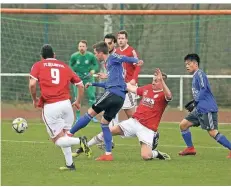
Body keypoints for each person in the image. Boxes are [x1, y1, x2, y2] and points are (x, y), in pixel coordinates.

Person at [67, 41, 144, 161]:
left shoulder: (113, 57)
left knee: (90, 113)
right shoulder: (111, 67)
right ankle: (108, 154)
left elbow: (123, 57)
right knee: (104, 123)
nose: (95, 55)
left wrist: (135, 61)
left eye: (95, 53)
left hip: (112, 94)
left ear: (100, 53)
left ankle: (69, 134)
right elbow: (109, 84)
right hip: (119, 98)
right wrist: (94, 83)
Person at [73, 68, 172, 161]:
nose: (153, 82)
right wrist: (109, 77)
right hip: (134, 122)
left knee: (146, 156)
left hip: (147, 129)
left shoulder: (164, 94)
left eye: (156, 81)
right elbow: (128, 87)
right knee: (108, 131)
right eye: (153, 80)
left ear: (162, 83)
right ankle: (82, 148)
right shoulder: (148, 88)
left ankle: (157, 153)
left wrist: (162, 81)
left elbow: (169, 96)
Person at [29, 44, 91, 171]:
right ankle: (70, 164)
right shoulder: (64, 66)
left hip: (51, 106)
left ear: (42, 56)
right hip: (66, 106)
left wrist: (34, 99)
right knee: (65, 137)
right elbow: (80, 85)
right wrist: (78, 101)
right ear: (54, 55)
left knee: (57, 140)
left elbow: (32, 84)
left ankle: (80, 141)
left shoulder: (38, 65)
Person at [178, 53, 231, 159]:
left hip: (207, 109)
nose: (187, 66)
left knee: (212, 132)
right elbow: (200, 93)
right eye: (186, 64)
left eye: (188, 64)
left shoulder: (200, 73)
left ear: (195, 64)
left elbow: (204, 88)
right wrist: (195, 103)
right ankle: (190, 148)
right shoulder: (195, 76)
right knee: (183, 125)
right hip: (199, 109)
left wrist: (195, 101)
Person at [69, 40, 99, 123]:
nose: (81, 48)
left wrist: (93, 71)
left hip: (89, 79)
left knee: (92, 97)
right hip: (77, 80)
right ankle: (78, 117)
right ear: (78, 47)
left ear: (86, 47)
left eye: (83, 46)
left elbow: (95, 65)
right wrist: (73, 73)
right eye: (80, 46)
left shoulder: (91, 56)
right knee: (77, 98)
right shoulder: (74, 56)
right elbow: (70, 65)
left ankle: (92, 116)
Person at [116, 30, 141, 119]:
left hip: (129, 85)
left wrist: (134, 79)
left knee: (130, 113)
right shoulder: (116, 51)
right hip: (119, 84)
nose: (120, 40)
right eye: (119, 38)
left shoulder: (131, 51)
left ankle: (140, 129)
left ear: (127, 39)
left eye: (122, 38)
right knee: (113, 108)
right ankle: (110, 129)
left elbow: (138, 65)